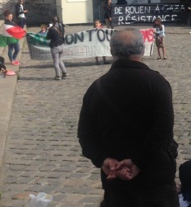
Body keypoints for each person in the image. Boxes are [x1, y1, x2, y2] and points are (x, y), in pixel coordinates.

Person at [77, 28, 179, 206]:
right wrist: (138, 163)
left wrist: (103, 160)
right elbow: (162, 131)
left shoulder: (96, 88)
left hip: (115, 179)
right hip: (154, 177)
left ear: (111, 51)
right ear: (142, 50)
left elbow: (86, 135)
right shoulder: (157, 84)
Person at [46, 16, 68, 80]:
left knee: (56, 61)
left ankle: (58, 75)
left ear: (52, 21)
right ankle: (64, 73)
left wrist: (48, 30)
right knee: (60, 60)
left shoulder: (52, 29)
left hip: (55, 46)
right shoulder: (61, 26)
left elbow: (47, 37)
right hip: (61, 44)